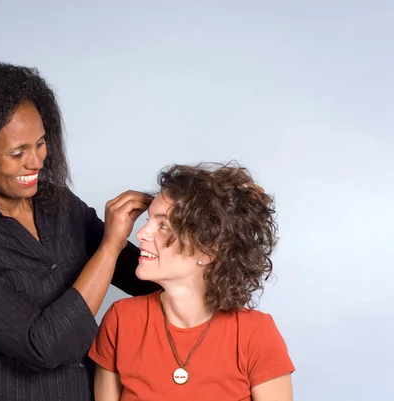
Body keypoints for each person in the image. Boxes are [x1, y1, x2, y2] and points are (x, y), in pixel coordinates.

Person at [0, 61, 159, 401]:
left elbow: (145, 279)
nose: (35, 162)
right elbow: (43, 347)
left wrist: (211, 217)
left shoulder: (58, 202)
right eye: (17, 152)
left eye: (40, 143)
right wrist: (109, 245)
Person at [89, 162, 295, 401]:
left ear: (208, 250)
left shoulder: (255, 334)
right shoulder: (121, 320)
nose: (141, 233)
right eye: (148, 221)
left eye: (163, 225)